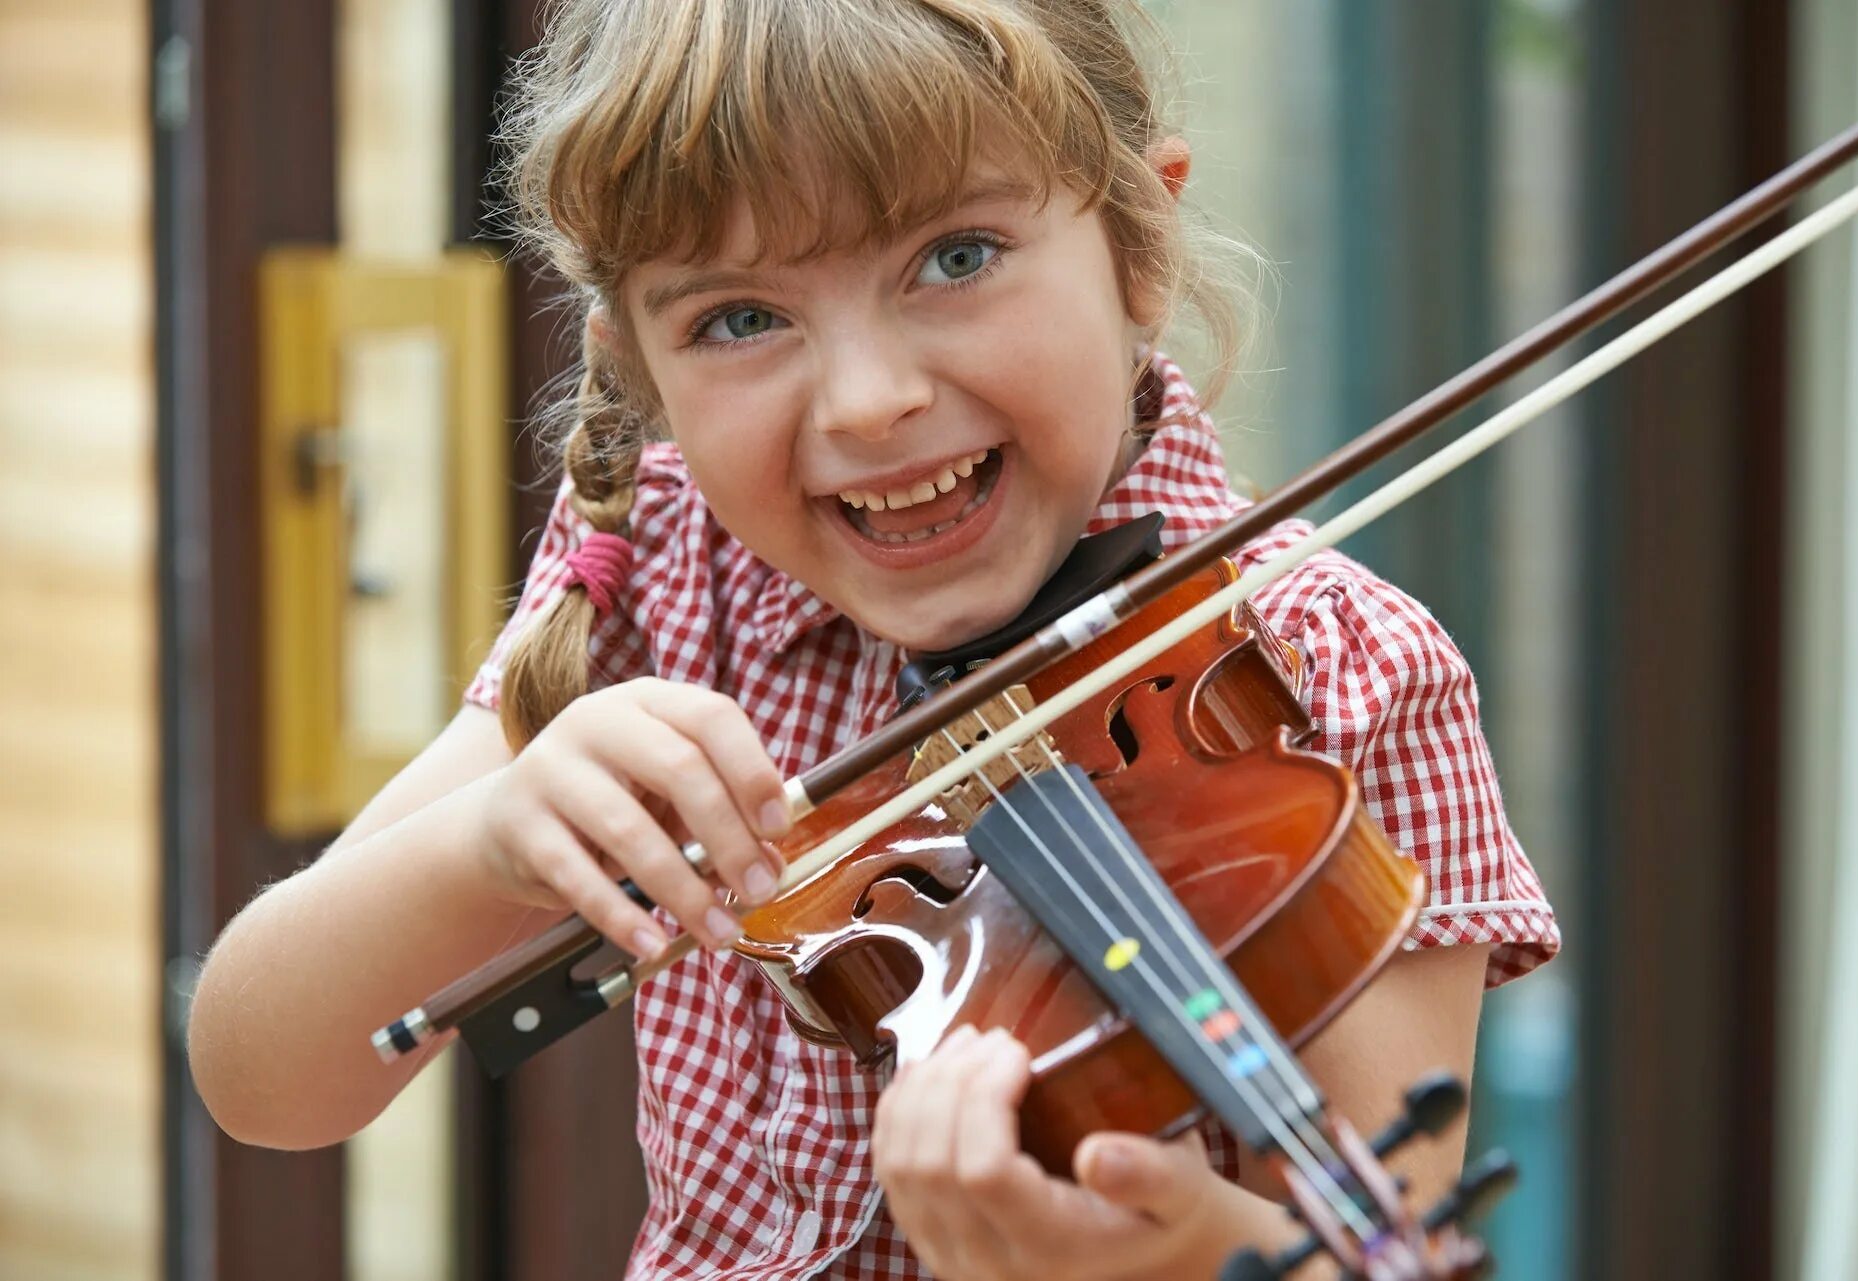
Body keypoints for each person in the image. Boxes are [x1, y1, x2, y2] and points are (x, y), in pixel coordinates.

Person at [187, 2, 1559, 1277]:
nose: (869, 399)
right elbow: (264, 1075)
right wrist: (485, 839)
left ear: (1141, 243)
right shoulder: (676, 563)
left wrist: (1173, 1249)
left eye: (955, 258)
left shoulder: (1331, 671)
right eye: (741, 319)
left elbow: (1384, 1242)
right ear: (637, 363)